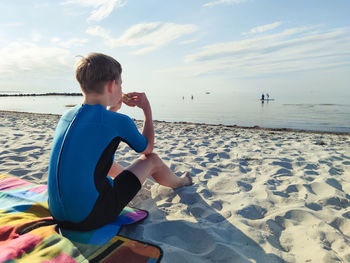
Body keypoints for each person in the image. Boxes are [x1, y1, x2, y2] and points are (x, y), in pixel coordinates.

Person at [47, 53, 192, 231]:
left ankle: (131, 180)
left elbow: (97, 129)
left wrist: (112, 110)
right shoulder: (119, 121)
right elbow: (147, 149)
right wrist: (147, 109)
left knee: (97, 157)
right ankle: (182, 182)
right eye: (120, 83)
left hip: (58, 213)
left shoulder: (67, 116)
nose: (122, 88)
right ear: (111, 85)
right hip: (90, 217)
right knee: (152, 160)